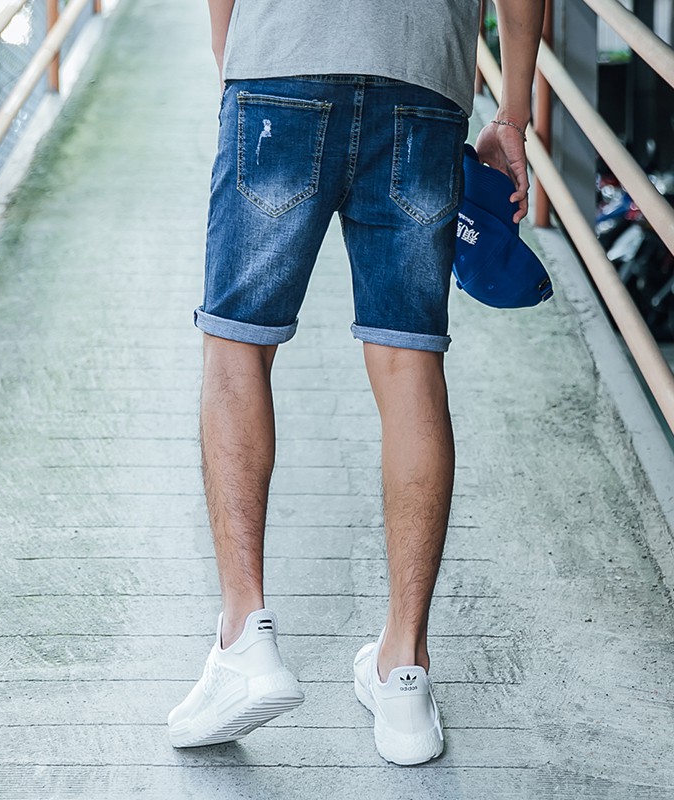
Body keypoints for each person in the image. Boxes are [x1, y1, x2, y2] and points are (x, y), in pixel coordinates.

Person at [168, 0, 544, 765]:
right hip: (423, 82)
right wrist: (512, 112)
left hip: (280, 60)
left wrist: (233, 57)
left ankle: (245, 641)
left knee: (237, 348)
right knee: (410, 362)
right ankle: (403, 671)